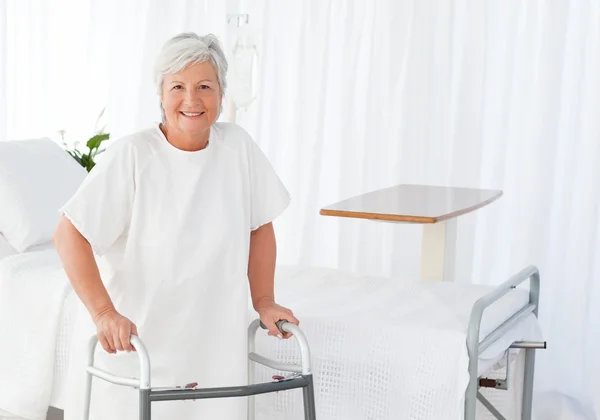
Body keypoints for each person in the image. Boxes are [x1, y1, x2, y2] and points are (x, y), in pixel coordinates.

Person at [52, 32, 298, 420]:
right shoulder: (133, 154)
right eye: (178, 87)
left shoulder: (238, 148)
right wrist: (103, 313)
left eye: (205, 86)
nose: (191, 100)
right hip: (140, 344)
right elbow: (70, 232)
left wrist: (264, 301)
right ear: (161, 94)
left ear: (221, 94)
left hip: (215, 344)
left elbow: (259, 226)